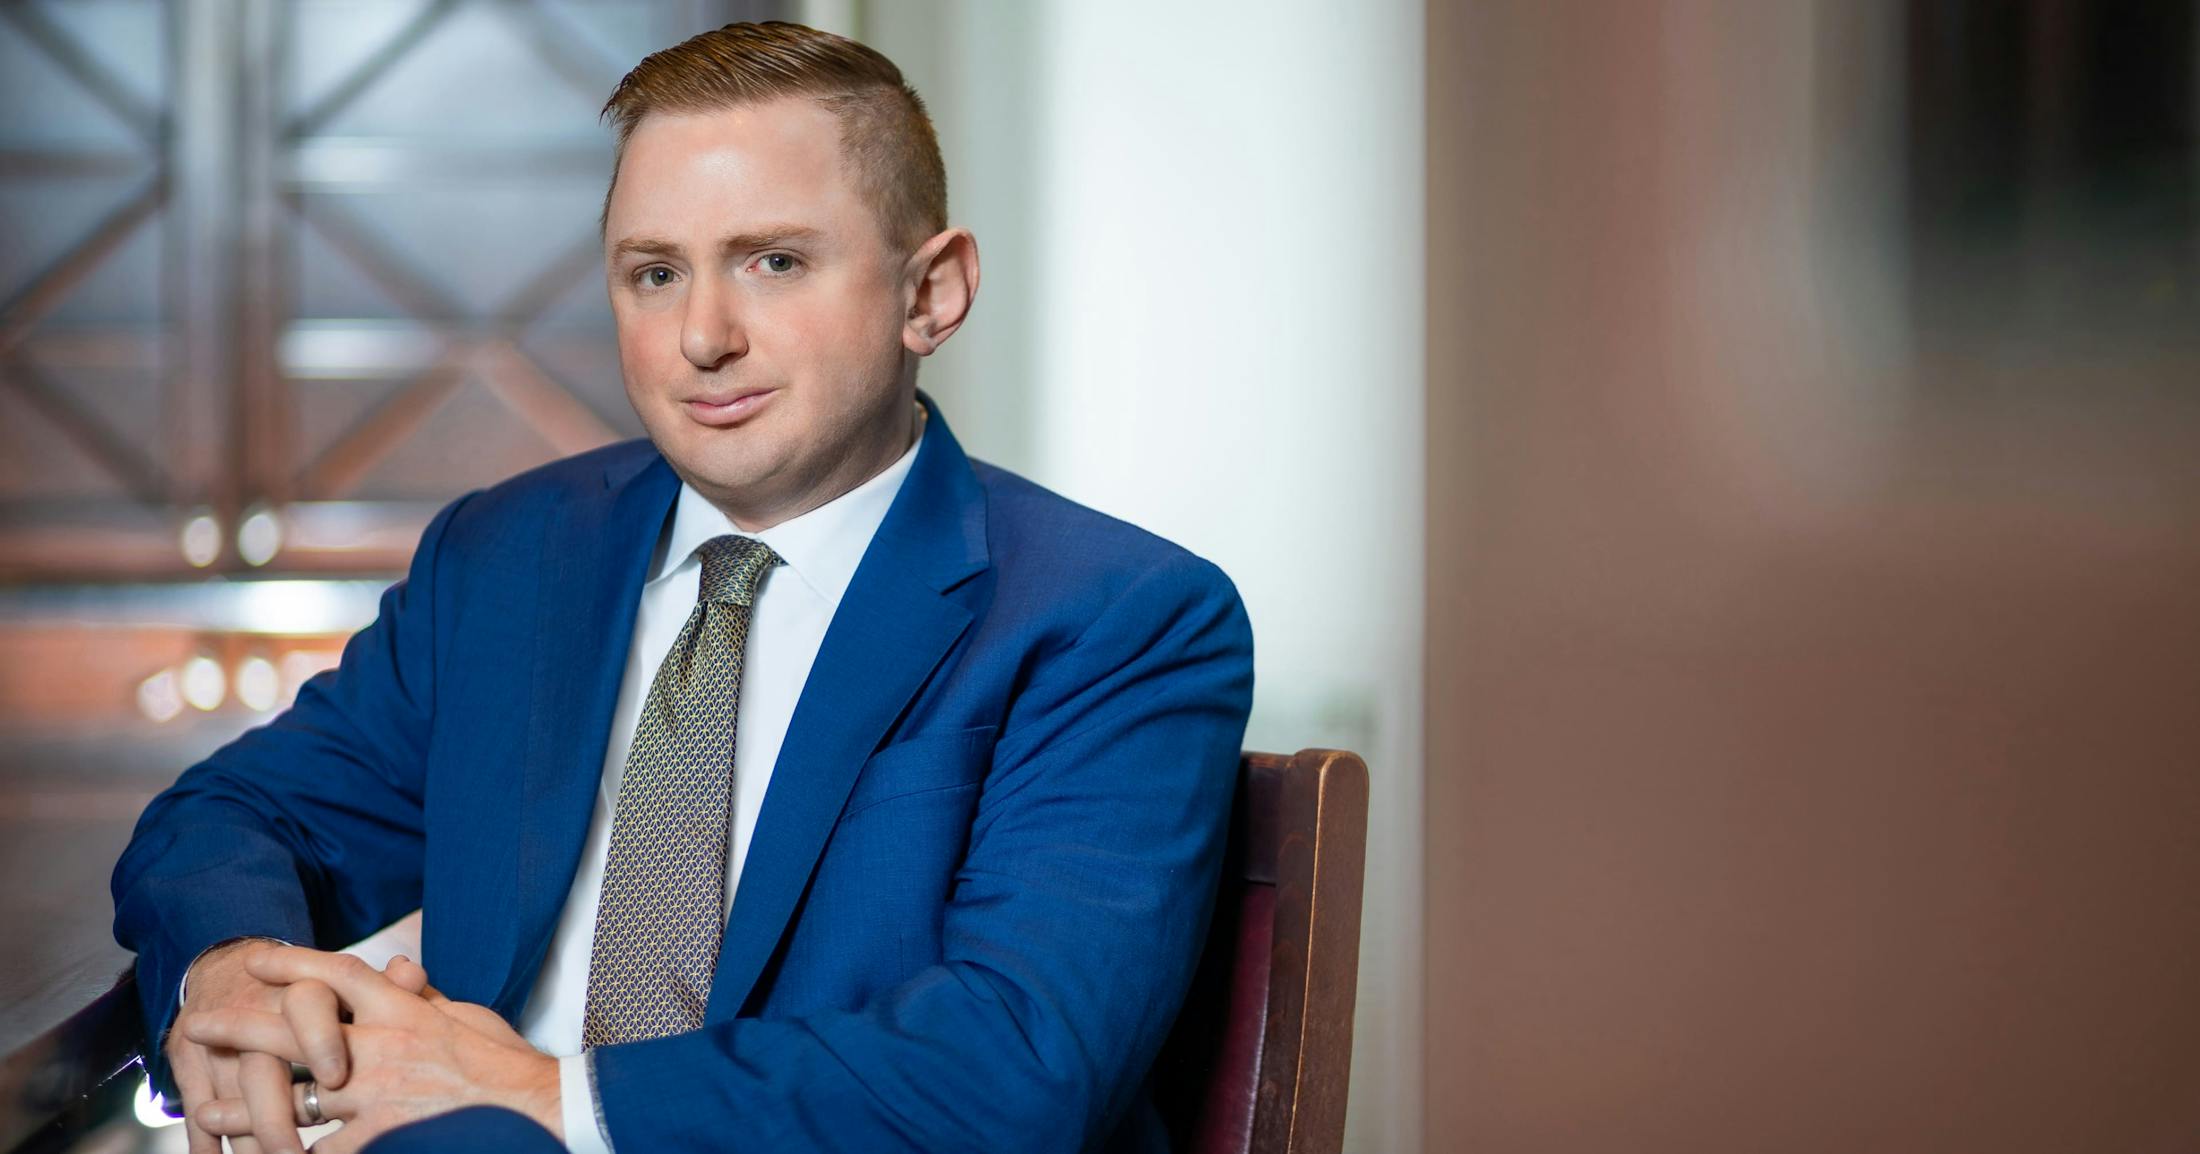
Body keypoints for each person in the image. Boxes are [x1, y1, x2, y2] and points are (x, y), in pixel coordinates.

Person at [110, 21, 1253, 1154]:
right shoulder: (509, 555)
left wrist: (543, 1094)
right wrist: (230, 973)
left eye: (775, 262)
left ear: (932, 292)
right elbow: (231, 819)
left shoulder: (1116, 616)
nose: (701, 336)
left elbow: (1014, 1067)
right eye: (655, 274)